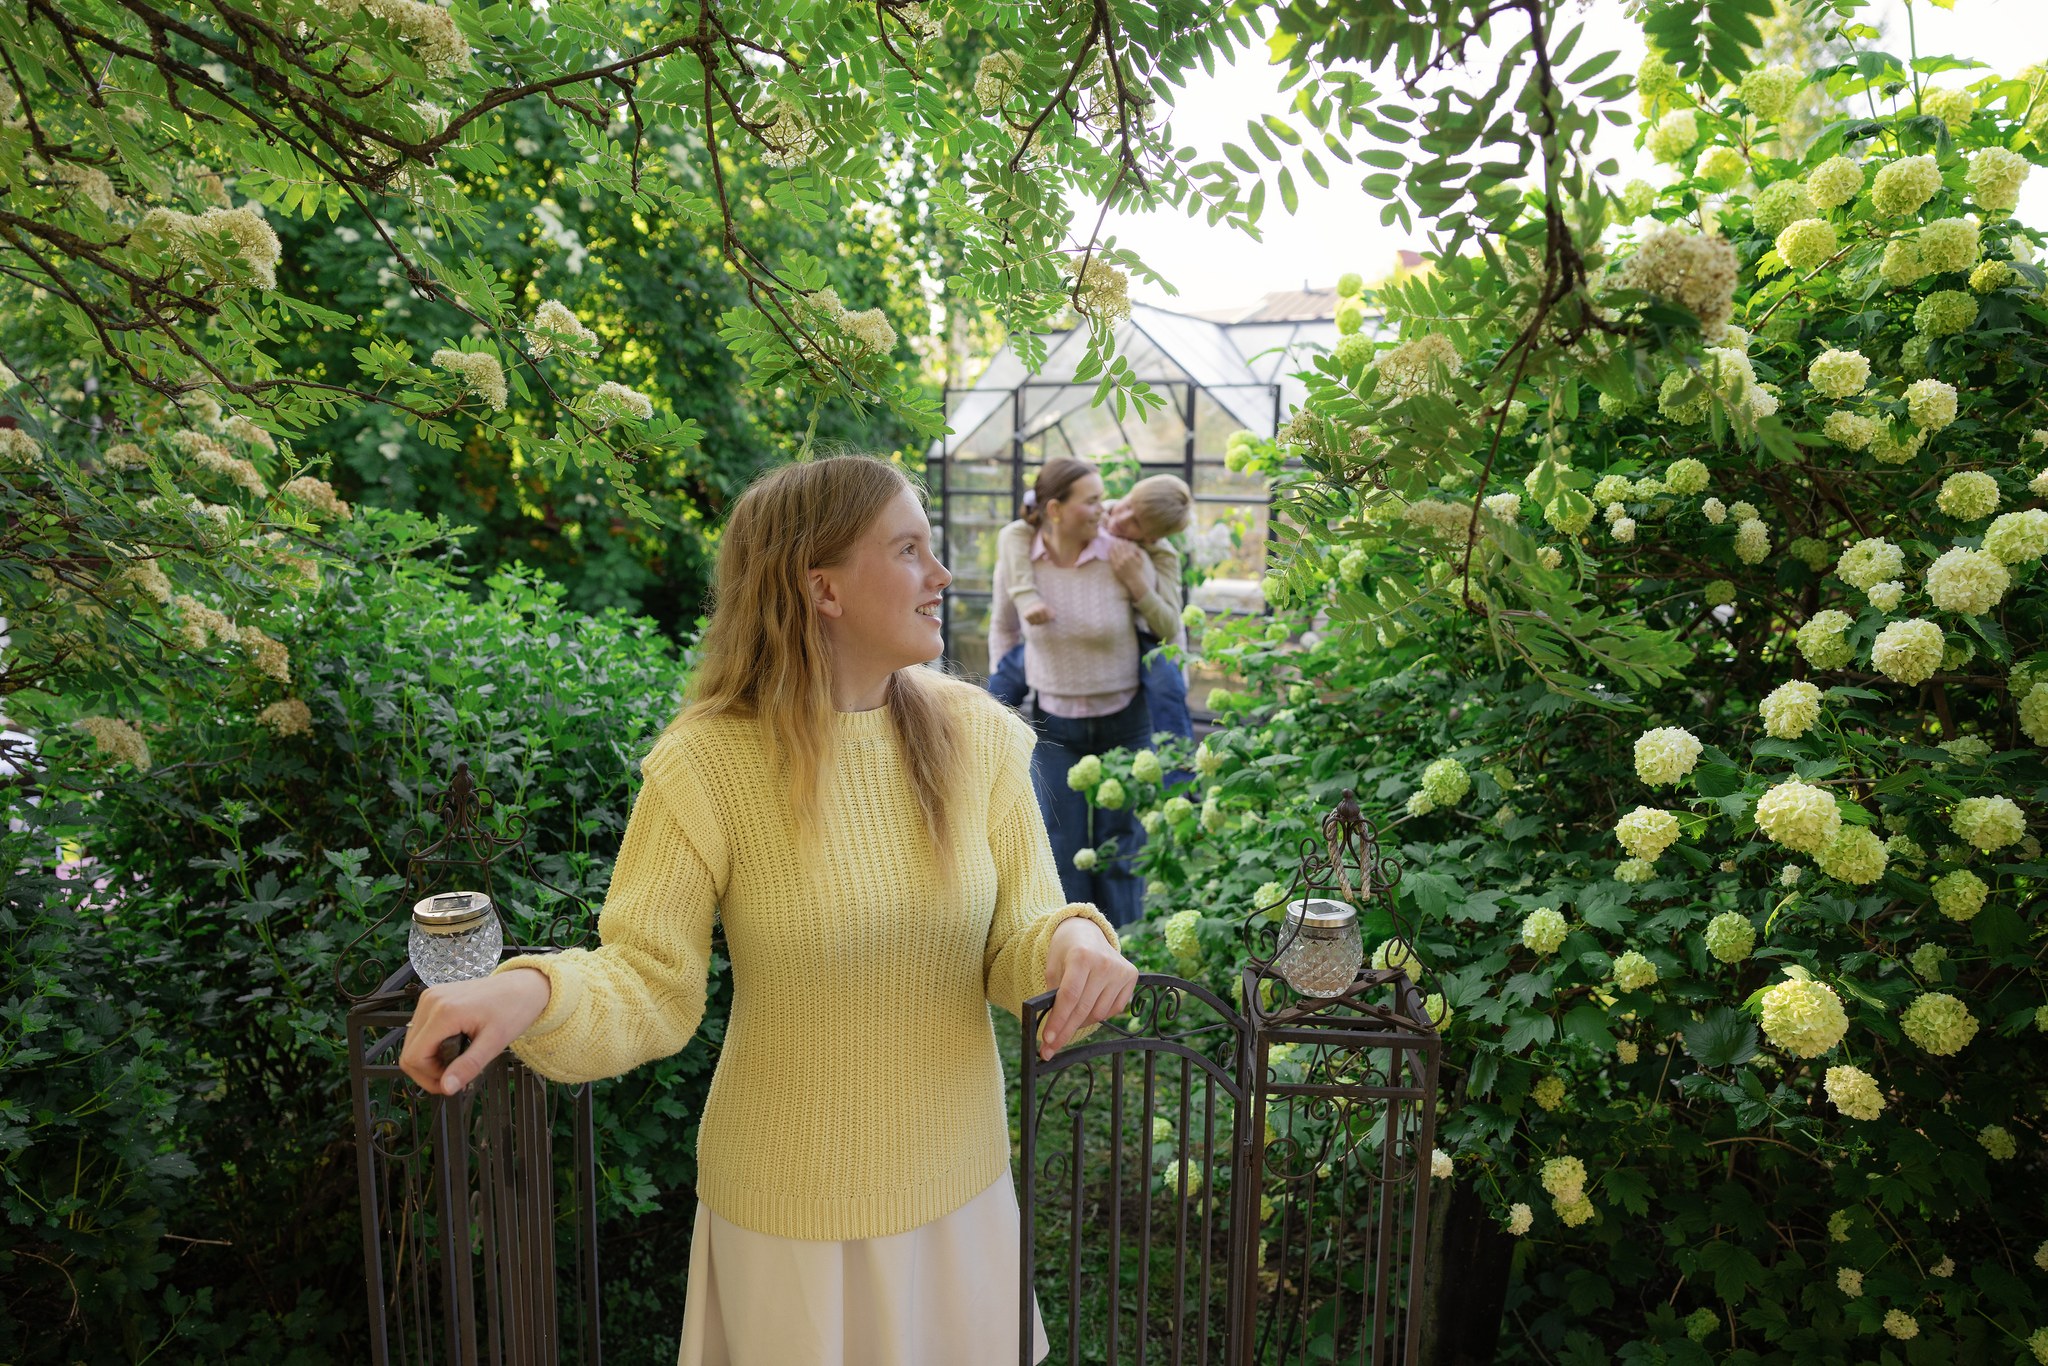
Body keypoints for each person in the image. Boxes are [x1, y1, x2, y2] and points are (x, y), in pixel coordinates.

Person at [397, 455, 1138, 1366]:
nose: (941, 576)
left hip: (959, 1199)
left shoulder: (978, 735)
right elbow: (648, 979)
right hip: (787, 1219)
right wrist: (531, 993)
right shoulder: (706, 764)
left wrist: (1073, 940)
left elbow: (1018, 939)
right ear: (820, 587)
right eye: (909, 550)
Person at [985, 457, 1163, 927]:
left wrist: (1143, 584)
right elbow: (1003, 629)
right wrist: (1007, 703)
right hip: (1054, 723)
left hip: (1124, 721)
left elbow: (1164, 632)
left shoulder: (1121, 557)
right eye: (1092, 501)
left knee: (1121, 845)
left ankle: (1125, 962)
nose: (1103, 510)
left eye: (1103, 499)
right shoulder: (1021, 561)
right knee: (1061, 846)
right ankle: (1072, 954)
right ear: (1055, 509)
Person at [987, 472, 1196, 742]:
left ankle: (1179, 767)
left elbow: (1169, 627)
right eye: (1127, 504)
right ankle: (984, 739)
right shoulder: (1094, 514)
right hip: (1058, 652)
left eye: (1135, 523)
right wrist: (1027, 596)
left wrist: (1136, 582)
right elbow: (1014, 532)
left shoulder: (1160, 555)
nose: (1120, 518)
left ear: (1151, 538)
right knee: (1007, 674)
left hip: (1138, 637)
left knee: (1165, 683)